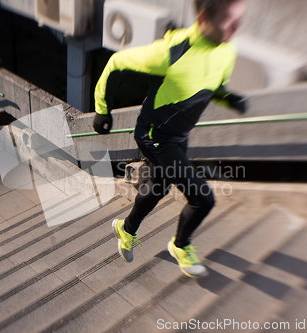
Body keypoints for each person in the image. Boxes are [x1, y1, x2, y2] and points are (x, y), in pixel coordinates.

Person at [93, 0, 249, 278]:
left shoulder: (228, 48)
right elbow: (116, 63)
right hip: (154, 136)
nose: (237, 28)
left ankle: (126, 229)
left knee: (157, 187)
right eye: (229, 20)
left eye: (240, 19)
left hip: (179, 135)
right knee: (203, 199)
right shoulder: (170, 52)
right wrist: (102, 111)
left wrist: (227, 97)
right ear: (203, 18)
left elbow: (210, 83)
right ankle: (180, 245)